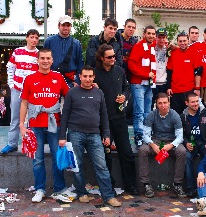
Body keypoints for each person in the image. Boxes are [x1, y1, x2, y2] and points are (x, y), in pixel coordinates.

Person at [59, 65, 121, 207]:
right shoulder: (72, 93)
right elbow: (65, 115)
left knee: (102, 166)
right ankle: (81, 192)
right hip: (75, 134)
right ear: (80, 76)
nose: (87, 79)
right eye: (85, 76)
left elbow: (104, 115)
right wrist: (62, 136)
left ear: (94, 77)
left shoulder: (99, 93)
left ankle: (108, 196)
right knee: (77, 166)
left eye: (90, 76)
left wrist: (106, 134)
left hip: (94, 135)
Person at [19, 49, 71, 203]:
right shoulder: (29, 78)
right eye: (42, 58)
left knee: (57, 157)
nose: (45, 61)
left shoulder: (58, 77)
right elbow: (24, 103)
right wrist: (22, 125)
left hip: (55, 124)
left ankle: (60, 188)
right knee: (38, 159)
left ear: (52, 60)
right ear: (38, 60)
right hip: (35, 125)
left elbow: (69, 97)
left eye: (48, 58)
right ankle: (39, 188)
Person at [94, 44, 138, 195]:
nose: (113, 59)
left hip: (119, 117)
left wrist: (124, 96)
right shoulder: (94, 73)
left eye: (114, 56)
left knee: (127, 152)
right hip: (103, 120)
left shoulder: (119, 70)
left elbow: (127, 88)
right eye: (109, 57)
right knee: (105, 154)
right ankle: (108, 186)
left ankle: (130, 185)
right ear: (101, 58)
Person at [138, 93, 186, 198]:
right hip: (156, 141)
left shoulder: (174, 115)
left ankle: (177, 184)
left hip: (171, 141)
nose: (163, 105)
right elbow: (145, 135)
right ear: (156, 104)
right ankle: (146, 184)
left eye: (165, 103)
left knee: (182, 151)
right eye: (160, 103)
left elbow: (180, 137)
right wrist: (153, 145)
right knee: (143, 149)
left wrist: (171, 145)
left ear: (169, 103)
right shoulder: (152, 115)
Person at [1, 29, 40, 154]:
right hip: (17, 90)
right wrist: (11, 84)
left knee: (33, 118)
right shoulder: (17, 51)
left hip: (32, 92)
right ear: (27, 38)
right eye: (32, 37)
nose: (34, 40)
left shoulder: (39, 54)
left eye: (36, 38)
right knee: (15, 118)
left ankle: (30, 143)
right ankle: (12, 143)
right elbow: (10, 68)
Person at [180, 92, 206, 197]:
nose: (195, 104)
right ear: (186, 103)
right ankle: (190, 188)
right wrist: (186, 143)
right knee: (186, 157)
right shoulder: (183, 116)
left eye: (197, 101)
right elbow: (180, 134)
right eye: (192, 102)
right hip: (192, 143)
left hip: (205, 142)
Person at [128, 25, 156, 147]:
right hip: (138, 84)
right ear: (144, 34)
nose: (151, 36)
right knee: (139, 112)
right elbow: (131, 65)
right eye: (148, 33)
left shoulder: (154, 47)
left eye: (153, 34)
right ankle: (138, 136)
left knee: (148, 112)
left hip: (149, 84)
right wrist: (146, 74)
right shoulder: (139, 46)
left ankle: (146, 135)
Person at [44, 15, 84, 87]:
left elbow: (80, 64)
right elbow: (43, 60)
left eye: (68, 25)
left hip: (70, 81)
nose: (66, 28)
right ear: (58, 26)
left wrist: (77, 80)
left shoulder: (76, 44)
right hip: (52, 80)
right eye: (63, 25)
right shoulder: (49, 41)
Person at [166, 32, 197, 114]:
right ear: (177, 42)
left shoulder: (193, 53)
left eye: (184, 41)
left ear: (188, 41)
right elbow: (169, 71)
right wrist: (168, 87)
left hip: (189, 90)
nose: (182, 43)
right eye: (180, 41)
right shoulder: (173, 53)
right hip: (175, 91)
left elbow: (197, 72)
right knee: (176, 116)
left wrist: (197, 88)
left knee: (189, 115)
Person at [152, 28, 168, 109]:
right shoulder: (151, 48)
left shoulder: (169, 49)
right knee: (151, 106)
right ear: (156, 37)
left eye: (163, 37)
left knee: (163, 107)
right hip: (153, 82)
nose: (161, 39)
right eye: (159, 37)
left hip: (164, 82)